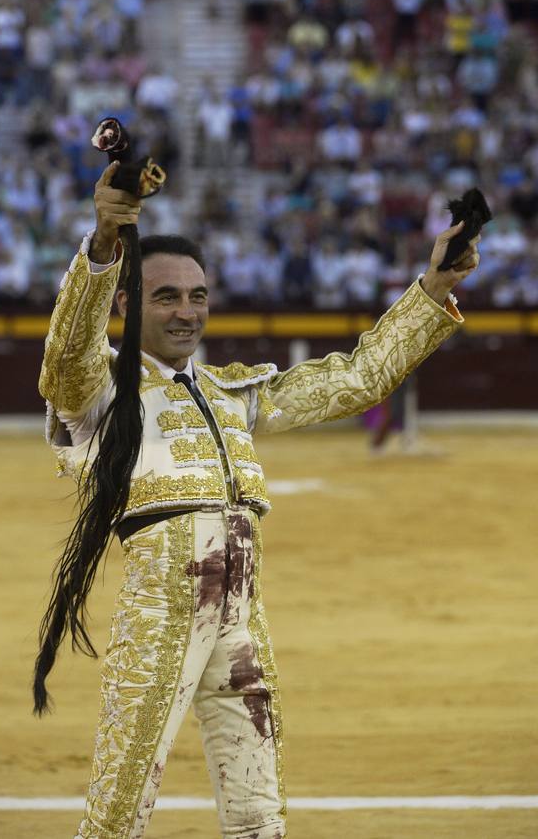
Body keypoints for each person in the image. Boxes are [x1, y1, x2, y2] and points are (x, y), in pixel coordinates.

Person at [34, 160, 480, 839]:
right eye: (166, 297)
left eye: (198, 295)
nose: (188, 311)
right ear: (126, 304)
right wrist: (104, 241)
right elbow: (65, 357)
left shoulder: (230, 392)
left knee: (259, 815)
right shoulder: (101, 393)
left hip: (242, 614)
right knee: (118, 809)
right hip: (161, 612)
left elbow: (354, 380)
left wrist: (432, 288)